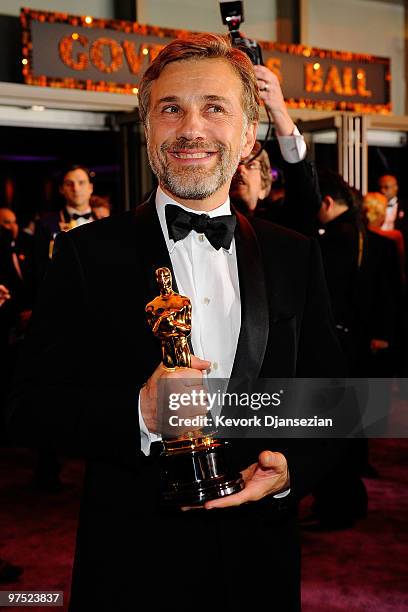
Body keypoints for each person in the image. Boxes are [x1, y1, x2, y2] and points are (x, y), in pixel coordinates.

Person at [8, 34, 346, 611]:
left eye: (215, 107)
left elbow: (335, 396)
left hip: (260, 559)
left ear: (247, 136)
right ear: (148, 129)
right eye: (171, 109)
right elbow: (28, 405)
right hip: (132, 560)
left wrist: (291, 470)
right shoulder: (85, 254)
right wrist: (137, 412)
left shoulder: (294, 254)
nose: (192, 128)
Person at [33, 165, 95, 283]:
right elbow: (40, 267)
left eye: (81, 183)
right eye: (69, 184)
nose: (75, 188)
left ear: (90, 187)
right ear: (61, 189)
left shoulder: (106, 219)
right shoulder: (46, 224)